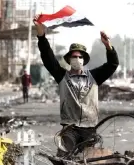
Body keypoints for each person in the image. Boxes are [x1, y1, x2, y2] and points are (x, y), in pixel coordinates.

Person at [33, 15, 119, 155]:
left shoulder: (94, 77)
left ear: (84, 60)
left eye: (80, 57)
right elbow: (48, 57)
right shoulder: (62, 76)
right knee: (64, 158)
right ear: (69, 59)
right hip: (70, 128)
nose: (77, 59)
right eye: (74, 56)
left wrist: (108, 47)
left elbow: (112, 64)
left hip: (89, 127)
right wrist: (41, 36)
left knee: (89, 164)